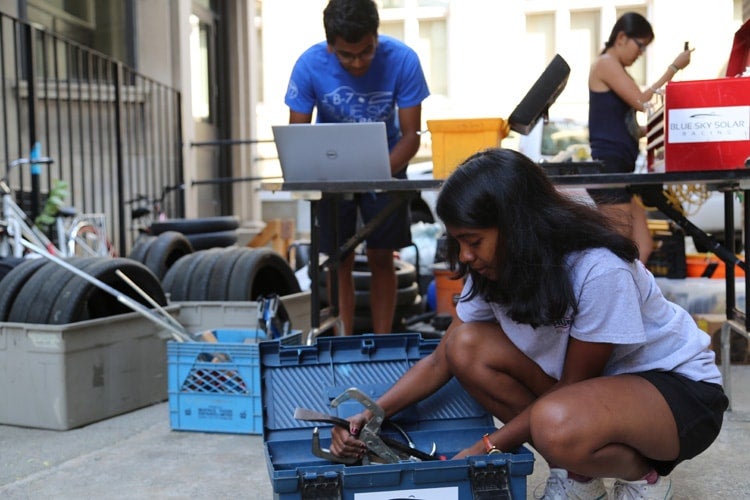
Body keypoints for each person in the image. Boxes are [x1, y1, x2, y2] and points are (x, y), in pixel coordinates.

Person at [329, 148, 727, 499]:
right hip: (591, 398)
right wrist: (372, 415)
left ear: (517, 226)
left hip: (677, 393)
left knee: (557, 423)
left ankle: (644, 478)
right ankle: (581, 477)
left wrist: (486, 447)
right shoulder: (492, 269)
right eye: (458, 242)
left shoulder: (598, 270)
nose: (464, 256)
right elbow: (440, 361)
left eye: (473, 240)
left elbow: (574, 389)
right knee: (464, 346)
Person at [283, 0, 430, 335]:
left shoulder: (403, 60)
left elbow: (411, 136)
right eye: (346, 55)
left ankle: (381, 342)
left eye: (366, 51)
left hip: (389, 164)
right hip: (330, 170)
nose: (358, 62)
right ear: (330, 46)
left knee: (381, 256)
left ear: (376, 37)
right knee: (338, 260)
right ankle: (343, 341)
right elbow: (296, 138)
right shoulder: (308, 65)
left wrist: (378, 174)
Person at [588, 12, 692, 263]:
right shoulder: (605, 63)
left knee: (642, 246)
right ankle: (612, 299)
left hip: (622, 169)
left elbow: (629, 125)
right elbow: (640, 101)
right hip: (609, 168)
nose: (641, 53)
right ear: (621, 37)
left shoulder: (617, 68)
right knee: (621, 247)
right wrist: (674, 67)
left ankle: (631, 298)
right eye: (641, 45)